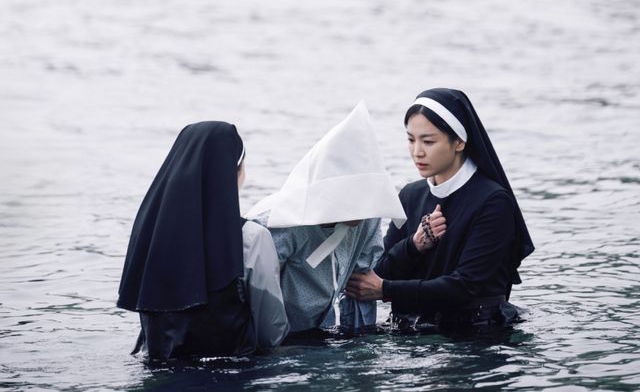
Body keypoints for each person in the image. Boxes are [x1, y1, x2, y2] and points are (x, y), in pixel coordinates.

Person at [346, 88, 534, 330]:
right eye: (411, 140)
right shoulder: (410, 195)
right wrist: (413, 246)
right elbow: (378, 271)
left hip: (475, 334)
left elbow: (465, 286)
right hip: (414, 330)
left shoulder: (493, 201)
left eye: (428, 141)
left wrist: (386, 291)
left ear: (459, 142)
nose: (417, 152)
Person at [117, 121, 289, 360]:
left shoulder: (149, 233)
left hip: (158, 366)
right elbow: (270, 332)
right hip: (235, 370)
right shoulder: (252, 237)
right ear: (233, 172)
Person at [246, 102, 407, 334]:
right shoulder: (280, 223)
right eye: (353, 200)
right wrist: (274, 344)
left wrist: (359, 340)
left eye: (367, 197)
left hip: (322, 329)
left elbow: (359, 286)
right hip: (277, 336)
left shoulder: (368, 217)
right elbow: (255, 293)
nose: (362, 211)